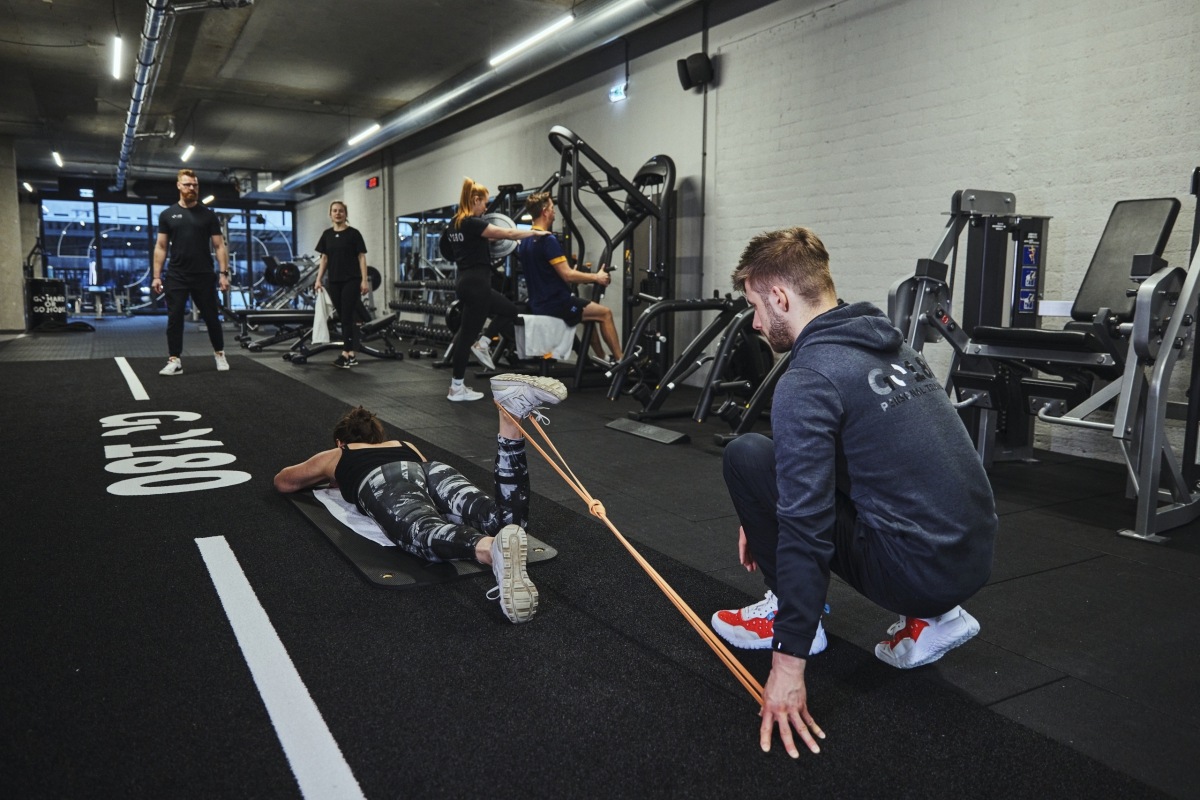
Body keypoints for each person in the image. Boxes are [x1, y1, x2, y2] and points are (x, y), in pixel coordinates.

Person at [709, 227, 996, 758]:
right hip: (971, 559)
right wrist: (760, 513)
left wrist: (789, 662)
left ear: (779, 297)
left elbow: (805, 524)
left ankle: (794, 617)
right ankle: (938, 617)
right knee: (767, 464)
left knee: (745, 454)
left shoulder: (810, 373)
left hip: (916, 573)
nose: (753, 323)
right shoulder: (886, 342)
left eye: (754, 306)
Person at [273, 373, 567, 622]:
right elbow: (428, 488)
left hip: (384, 478)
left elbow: (284, 481)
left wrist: (333, 475)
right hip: (430, 468)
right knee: (502, 519)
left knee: (420, 529)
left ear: (341, 440)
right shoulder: (405, 443)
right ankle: (510, 415)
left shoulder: (340, 453)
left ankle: (489, 550)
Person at [445, 178, 550, 402]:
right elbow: (508, 234)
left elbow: (482, 239)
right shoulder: (472, 222)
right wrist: (534, 233)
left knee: (509, 310)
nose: (486, 207)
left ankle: (482, 344)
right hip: (478, 284)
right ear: (475, 200)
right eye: (484, 202)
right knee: (465, 336)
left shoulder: (454, 223)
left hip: (464, 282)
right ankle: (457, 387)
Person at [518, 192, 623, 361]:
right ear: (544, 211)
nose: (554, 212)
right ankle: (621, 362)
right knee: (605, 313)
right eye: (552, 208)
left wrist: (569, 272)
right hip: (556, 304)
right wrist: (596, 277)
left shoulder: (525, 240)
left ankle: (603, 358)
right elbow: (567, 275)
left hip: (538, 303)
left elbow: (542, 269)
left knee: (590, 314)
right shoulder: (548, 239)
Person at [152, 168, 231, 375]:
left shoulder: (208, 215)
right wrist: (156, 276)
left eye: (195, 185)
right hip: (176, 275)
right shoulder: (167, 215)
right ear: (179, 186)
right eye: (187, 184)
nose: (192, 188)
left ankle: (219, 354)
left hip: (203, 275)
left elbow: (219, 246)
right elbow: (161, 246)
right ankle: (174, 360)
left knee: (212, 317)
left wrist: (224, 273)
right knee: (175, 318)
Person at [313, 201, 370, 369]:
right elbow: (324, 259)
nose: (338, 213)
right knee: (344, 317)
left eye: (341, 211)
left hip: (351, 280)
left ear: (346, 214)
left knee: (347, 316)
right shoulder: (327, 235)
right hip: (334, 281)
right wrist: (318, 279)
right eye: (335, 211)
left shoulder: (354, 234)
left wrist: (364, 280)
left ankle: (346, 353)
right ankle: (351, 354)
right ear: (330, 214)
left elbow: (361, 257)